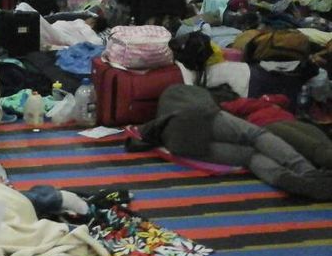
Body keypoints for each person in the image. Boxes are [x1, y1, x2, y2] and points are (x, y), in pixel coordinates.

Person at [127, 85, 332, 201]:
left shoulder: (164, 111)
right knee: (257, 136)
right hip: (203, 117)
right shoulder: (191, 93)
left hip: (180, 143)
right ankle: (306, 172)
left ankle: (287, 180)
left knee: (250, 156)